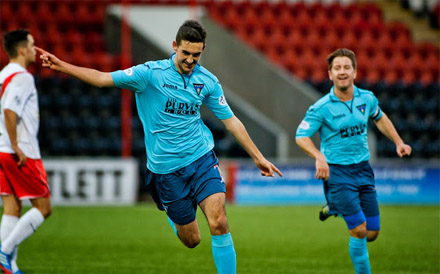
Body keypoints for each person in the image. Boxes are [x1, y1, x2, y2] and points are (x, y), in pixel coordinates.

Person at [37, 20, 282, 273]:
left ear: (203, 51)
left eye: (196, 55)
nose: (190, 60)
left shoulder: (207, 81)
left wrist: (257, 157)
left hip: (201, 159)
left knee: (219, 221)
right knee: (192, 240)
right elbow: (102, 79)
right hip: (166, 170)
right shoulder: (149, 74)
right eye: (185, 53)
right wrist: (62, 66)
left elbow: (232, 122)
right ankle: (171, 213)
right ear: (175, 46)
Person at [295, 48, 411, 274]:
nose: (342, 72)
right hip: (337, 173)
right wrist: (319, 157)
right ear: (330, 74)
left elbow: (380, 118)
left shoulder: (366, 98)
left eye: (346, 67)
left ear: (355, 72)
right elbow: (301, 136)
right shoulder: (321, 107)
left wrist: (399, 142)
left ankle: (334, 207)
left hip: (363, 170)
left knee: (372, 233)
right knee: (358, 230)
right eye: (337, 68)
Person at [0, 29, 52, 274]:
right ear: (22, 49)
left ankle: (10, 268)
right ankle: (4, 252)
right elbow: (10, 111)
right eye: (32, 44)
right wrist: (16, 144)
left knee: (12, 208)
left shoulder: (3, 75)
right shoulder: (22, 77)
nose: (35, 48)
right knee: (43, 208)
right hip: (20, 151)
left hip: (1, 150)